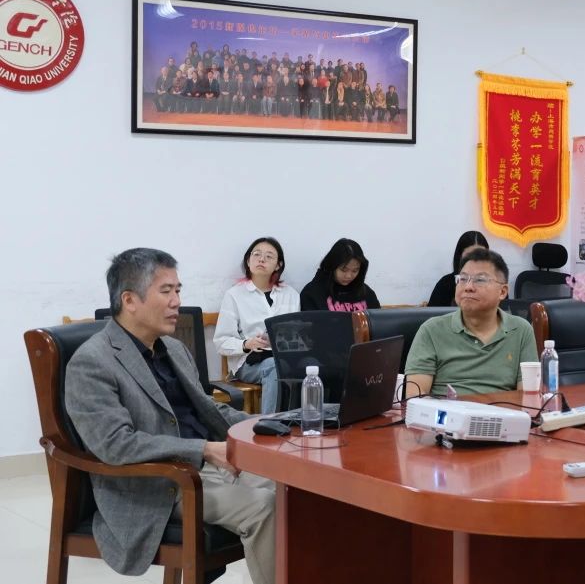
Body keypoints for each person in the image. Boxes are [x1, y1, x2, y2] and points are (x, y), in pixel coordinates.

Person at [64, 248, 276, 583]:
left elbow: (208, 409)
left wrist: (271, 423)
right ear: (129, 300)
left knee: (298, 490)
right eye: (166, 291)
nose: (177, 301)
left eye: (178, 290)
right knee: (264, 506)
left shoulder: (173, 348)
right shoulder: (92, 362)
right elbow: (115, 444)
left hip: (206, 470)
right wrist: (204, 450)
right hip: (157, 486)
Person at [404, 248, 536, 397]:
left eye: (480, 280)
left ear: (502, 291)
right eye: (463, 279)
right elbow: (415, 396)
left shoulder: (521, 330)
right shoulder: (431, 330)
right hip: (446, 411)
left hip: (502, 410)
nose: (468, 287)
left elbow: (528, 396)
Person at [213, 237, 300, 414]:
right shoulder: (234, 295)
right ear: (248, 261)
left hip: (285, 358)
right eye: (257, 254)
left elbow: (298, 334)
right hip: (249, 363)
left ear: (278, 265)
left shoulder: (291, 294)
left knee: (312, 365)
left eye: (269, 256)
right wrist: (247, 344)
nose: (261, 259)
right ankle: (270, 425)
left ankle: (300, 424)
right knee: (274, 367)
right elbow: (221, 342)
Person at [300, 238, 382, 312]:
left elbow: (377, 321)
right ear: (332, 266)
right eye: (344, 270)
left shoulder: (366, 292)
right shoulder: (312, 293)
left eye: (355, 270)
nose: (349, 276)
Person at [426, 231, 489, 307]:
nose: (475, 260)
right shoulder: (445, 284)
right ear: (460, 257)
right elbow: (432, 313)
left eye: (481, 255)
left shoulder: (494, 283)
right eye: (469, 256)